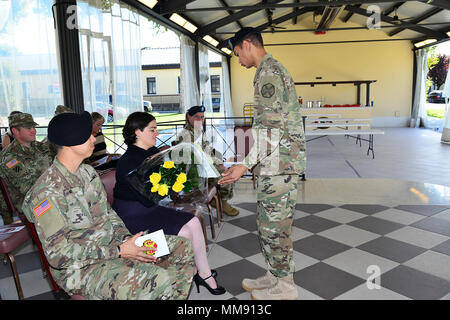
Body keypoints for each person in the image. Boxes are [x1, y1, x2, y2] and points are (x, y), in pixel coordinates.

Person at [22, 111, 195, 300]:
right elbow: (60, 255)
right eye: (87, 135)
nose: (93, 138)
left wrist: (128, 242)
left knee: (182, 247)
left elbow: (109, 215)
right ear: (71, 143)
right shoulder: (46, 193)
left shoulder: (87, 173)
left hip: (112, 246)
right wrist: (120, 252)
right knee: (156, 278)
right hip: (80, 269)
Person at [218, 27, 306, 300]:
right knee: (268, 225)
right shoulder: (270, 70)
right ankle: (274, 276)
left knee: (275, 228)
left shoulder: (268, 73)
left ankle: (285, 288)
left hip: (279, 165)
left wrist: (244, 165)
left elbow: (270, 130)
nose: (239, 61)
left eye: (237, 54)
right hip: (274, 163)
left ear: (246, 45)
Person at [113, 111, 225, 295]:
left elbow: (162, 185)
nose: (157, 133)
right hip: (133, 216)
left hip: (150, 208)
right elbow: (148, 196)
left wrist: (180, 179)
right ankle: (191, 273)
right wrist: (172, 182)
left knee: (194, 222)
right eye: (152, 130)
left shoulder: (151, 152)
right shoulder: (128, 162)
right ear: (137, 132)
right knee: (184, 233)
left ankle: (203, 273)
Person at [172, 105, 239, 216]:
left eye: (202, 117)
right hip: (194, 171)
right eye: (197, 117)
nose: (200, 120)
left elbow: (207, 149)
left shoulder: (197, 131)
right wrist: (216, 165)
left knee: (231, 171)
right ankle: (222, 202)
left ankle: (219, 200)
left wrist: (219, 161)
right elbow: (194, 158)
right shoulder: (186, 135)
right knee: (227, 176)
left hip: (203, 166)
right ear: (189, 117)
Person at [0, 113, 53, 225]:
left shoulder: (41, 147)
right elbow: (28, 189)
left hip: (48, 195)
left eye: (33, 127)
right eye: (29, 128)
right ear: (15, 131)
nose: (34, 131)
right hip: (27, 205)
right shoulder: (9, 158)